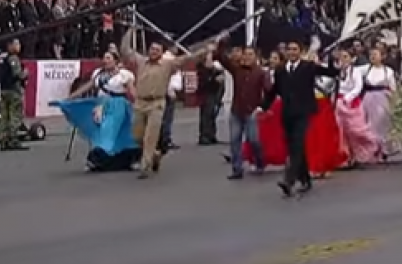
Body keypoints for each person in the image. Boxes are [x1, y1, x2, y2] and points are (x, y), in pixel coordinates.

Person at [258, 39, 340, 197]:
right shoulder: (281, 70)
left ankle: (289, 180)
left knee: (297, 145)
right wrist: (263, 107)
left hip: (304, 112)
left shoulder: (308, 67)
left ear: (300, 52)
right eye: (289, 49)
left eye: (295, 49)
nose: (291, 52)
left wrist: (332, 60)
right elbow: (274, 91)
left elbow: (332, 72)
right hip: (287, 114)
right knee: (294, 147)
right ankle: (305, 179)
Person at [121, 28, 205, 179]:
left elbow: (189, 58)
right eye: (152, 49)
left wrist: (205, 49)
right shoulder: (141, 61)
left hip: (157, 103)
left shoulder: (168, 64)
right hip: (140, 102)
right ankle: (155, 155)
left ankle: (145, 165)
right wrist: (130, 32)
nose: (153, 52)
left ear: (162, 52)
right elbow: (126, 51)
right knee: (137, 136)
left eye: (157, 50)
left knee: (151, 136)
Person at [55, 51, 138, 171]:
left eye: (108, 58)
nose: (105, 60)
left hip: (117, 106)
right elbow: (87, 87)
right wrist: (69, 98)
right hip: (100, 106)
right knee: (99, 131)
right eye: (104, 58)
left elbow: (132, 91)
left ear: (116, 61)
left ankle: (106, 158)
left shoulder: (124, 75)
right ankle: (100, 160)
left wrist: (139, 103)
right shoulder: (99, 74)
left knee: (109, 132)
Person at [216, 43, 271, 180]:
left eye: (250, 55)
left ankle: (259, 161)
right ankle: (237, 169)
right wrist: (221, 44)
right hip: (236, 111)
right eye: (245, 54)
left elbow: (269, 90)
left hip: (251, 112)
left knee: (253, 140)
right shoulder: (237, 69)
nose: (247, 57)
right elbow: (223, 59)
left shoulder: (261, 73)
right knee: (235, 140)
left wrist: (263, 107)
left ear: (256, 57)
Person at [335, 48, 381, 167]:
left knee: (356, 130)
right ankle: (346, 157)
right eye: (341, 57)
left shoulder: (355, 71)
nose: (342, 60)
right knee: (341, 131)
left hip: (351, 104)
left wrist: (348, 98)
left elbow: (358, 87)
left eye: (345, 57)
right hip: (338, 103)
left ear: (352, 59)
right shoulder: (338, 71)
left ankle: (370, 148)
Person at [360, 47, 400, 159]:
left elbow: (393, 87)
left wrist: (394, 101)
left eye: (375, 54)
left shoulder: (388, 71)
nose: (372, 56)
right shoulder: (365, 69)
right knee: (368, 123)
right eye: (371, 54)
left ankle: (384, 148)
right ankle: (372, 148)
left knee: (382, 123)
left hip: (383, 97)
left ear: (382, 56)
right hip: (368, 97)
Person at [0, 38, 29, 151]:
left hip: (3, 89)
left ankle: (3, 140)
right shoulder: (13, 58)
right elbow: (17, 74)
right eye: (16, 44)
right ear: (10, 45)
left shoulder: (2, 58)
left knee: (4, 117)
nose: (19, 46)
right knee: (15, 115)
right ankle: (13, 139)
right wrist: (25, 73)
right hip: (13, 90)